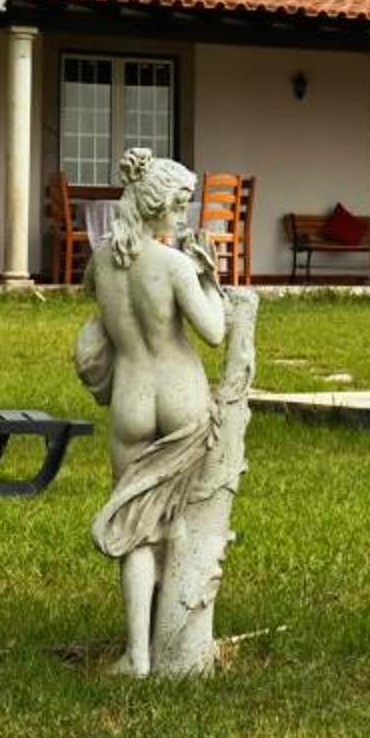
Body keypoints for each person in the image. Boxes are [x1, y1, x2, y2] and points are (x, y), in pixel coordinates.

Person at [73, 148, 255, 676]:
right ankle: (180, 645)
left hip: (131, 398)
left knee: (135, 529)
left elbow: (99, 326)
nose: (183, 215)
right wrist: (206, 274)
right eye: (179, 205)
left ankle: (140, 655)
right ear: (155, 203)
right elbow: (216, 331)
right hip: (180, 396)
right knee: (179, 521)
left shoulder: (102, 263)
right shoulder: (175, 264)